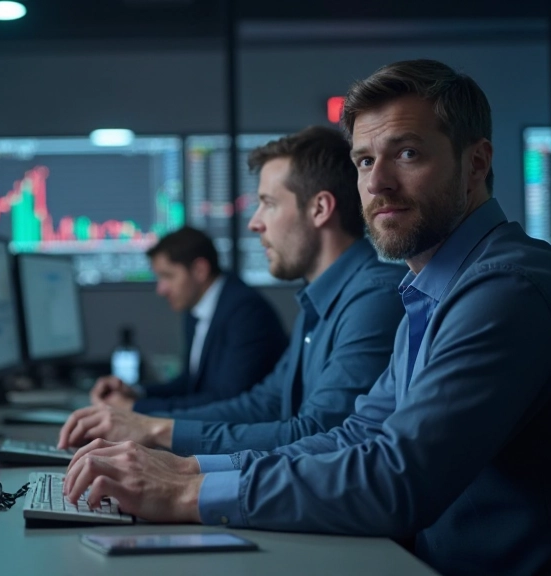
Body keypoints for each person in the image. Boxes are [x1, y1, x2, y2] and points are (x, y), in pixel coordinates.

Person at [61, 60, 551, 576]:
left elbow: (398, 480)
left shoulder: (505, 291)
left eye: (407, 153)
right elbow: (357, 436)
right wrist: (188, 467)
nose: (377, 182)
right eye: (365, 160)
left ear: (477, 163)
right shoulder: (432, 288)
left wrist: (187, 492)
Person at [60, 126, 406, 455]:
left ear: (319, 209)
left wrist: (154, 430)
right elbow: (265, 403)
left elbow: (317, 436)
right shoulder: (320, 299)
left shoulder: (373, 299)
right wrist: (143, 421)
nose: (255, 222)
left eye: (268, 203)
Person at [90, 225, 288, 414]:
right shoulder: (197, 306)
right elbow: (191, 383)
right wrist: (136, 393)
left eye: (168, 276)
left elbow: (226, 399)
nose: (161, 290)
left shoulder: (246, 312)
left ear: (199, 270)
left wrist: (135, 409)